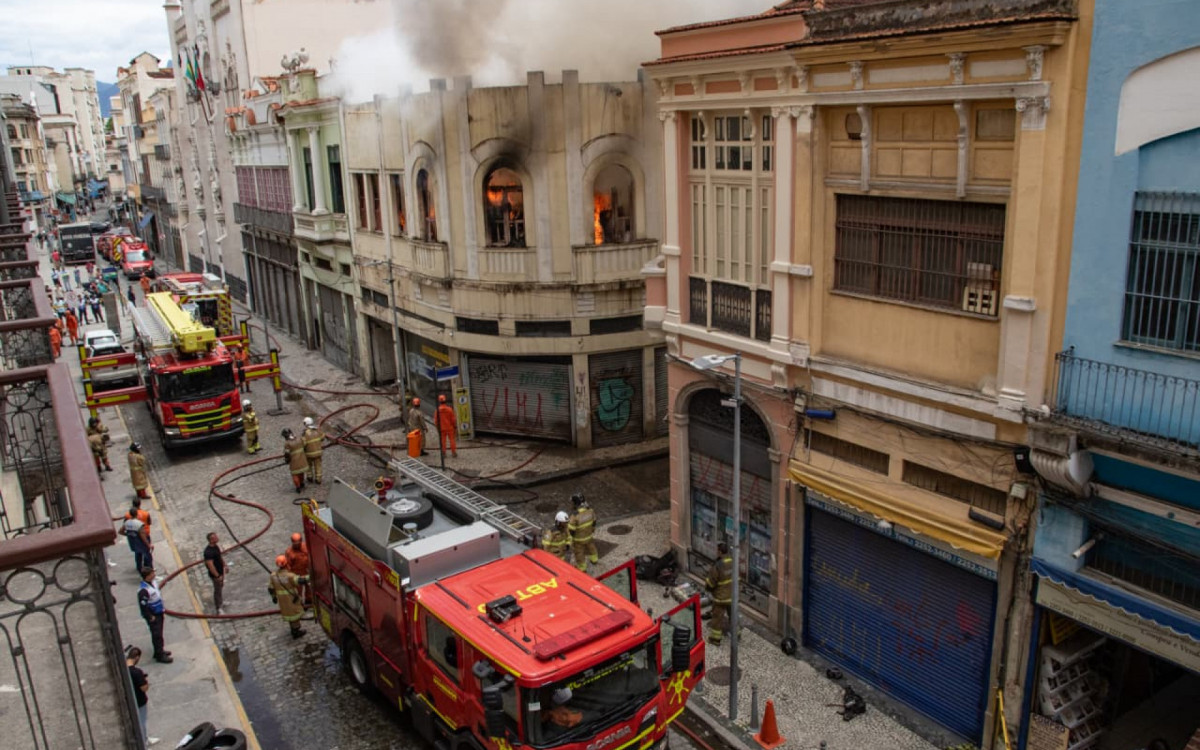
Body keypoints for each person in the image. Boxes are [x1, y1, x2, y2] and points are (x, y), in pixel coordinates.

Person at [137, 567, 172, 663]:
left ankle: (160, 650)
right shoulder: (144, 591)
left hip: (159, 611)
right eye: (152, 573)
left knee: (159, 633)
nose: (154, 575)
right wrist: (150, 616)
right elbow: (143, 605)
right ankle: (159, 655)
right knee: (156, 634)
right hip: (153, 615)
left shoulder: (153, 583)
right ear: (148, 576)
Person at [125, 646, 160, 745]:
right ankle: (144, 741)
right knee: (142, 721)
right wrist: (145, 681)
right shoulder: (137, 672)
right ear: (136, 657)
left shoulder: (123, 669)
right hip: (139, 701)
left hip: (129, 700)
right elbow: (144, 688)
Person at [268, 555, 308, 639]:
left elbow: (271, 588)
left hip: (282, 601)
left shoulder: (273, 576)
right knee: (294, 615)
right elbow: (300, 580)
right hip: (292, 599)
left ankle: (293, 629)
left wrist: (273, 597)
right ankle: (296, 631)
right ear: (286, 564)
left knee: (289, 615)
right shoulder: (290, 576)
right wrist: (310, 577)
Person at [704, 542, 734, 646]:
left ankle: (715, 639)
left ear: (720, 551)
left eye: (717, 550)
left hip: (721, 597)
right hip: (733, 595)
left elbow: (711, 582)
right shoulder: (733, 561)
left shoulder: (718, 565)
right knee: (733, 615)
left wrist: (708, 587)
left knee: (717, 617)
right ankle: (736, 633)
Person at [567, 493, 597, 571]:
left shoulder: (575, 515)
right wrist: (592, 529)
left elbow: (571, 530)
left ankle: (582, 567)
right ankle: (594, 559)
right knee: (591, 547)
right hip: (589, 536)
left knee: (579, 553)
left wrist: (571, 539)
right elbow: (594, 521)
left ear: (575, 503)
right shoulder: (590, 510)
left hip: (578, 539)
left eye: (572, 502)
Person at [122, 501, 154, 572]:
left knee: (138, 554)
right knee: (147, 555)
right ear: (136, 513)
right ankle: (148, 569)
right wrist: (149, 545)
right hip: (141, 541)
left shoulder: (127, 523)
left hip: (133, 542)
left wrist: (129, 534)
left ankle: (139, 567)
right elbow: (143, 536)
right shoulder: (139, 524)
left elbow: (120, 531)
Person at [203, 532, 226, 614]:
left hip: (220, 571)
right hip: (216, 575)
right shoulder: (208, 552)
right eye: (215, 537)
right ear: (211, 540)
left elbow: (219, 557)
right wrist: (217, 576)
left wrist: (224, 565)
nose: (217, 538)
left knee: (220, 587)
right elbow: (210, 566)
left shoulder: (216, 547)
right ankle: (219, 608)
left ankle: (221, 602)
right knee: (217, 590)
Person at [282, 428, 308, 492]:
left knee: (295, 474)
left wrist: (286, 459)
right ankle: (302, 483)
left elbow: (287, 453)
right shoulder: (299, 438)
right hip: (302, 459)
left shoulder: (287, 443)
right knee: (301, 472)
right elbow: (305, 444)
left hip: (294, 462)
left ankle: (298, 487)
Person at [301, 417, 324, 484]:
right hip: (318, 452)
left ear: (305, 424)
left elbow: (303, 443)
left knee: (309, 465)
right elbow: (322, 437)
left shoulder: (305, 433)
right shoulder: (317, 430)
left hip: (309, 453)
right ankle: (318, 479)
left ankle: (310, 477)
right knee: (318, 466)